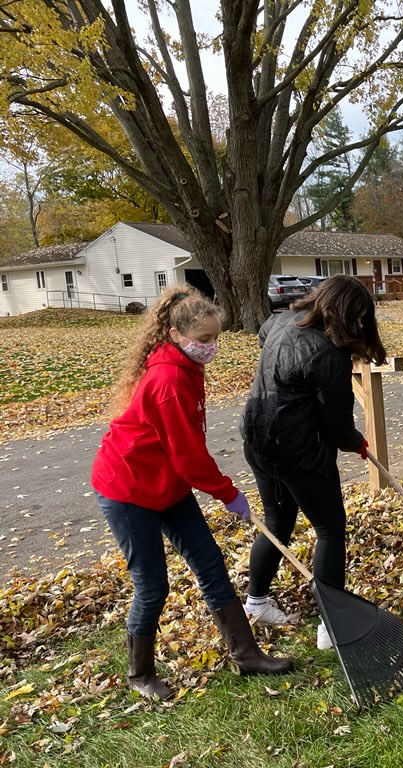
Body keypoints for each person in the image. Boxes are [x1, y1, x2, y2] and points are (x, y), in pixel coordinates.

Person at [91, 285, 292, 701]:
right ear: (175, 335)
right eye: (203, 339)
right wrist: (228, 493)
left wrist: (219, 490)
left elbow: (183, 454)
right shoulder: (167, 379)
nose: (210, 346)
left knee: (210, 565)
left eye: (215, 337)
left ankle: (245, 654)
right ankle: (140, 674)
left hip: (167, 484)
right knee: (152, 585)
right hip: (128, 488)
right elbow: (189, 457)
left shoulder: (186, 367)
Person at [241, 275, 385, 649]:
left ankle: (255, 603)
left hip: (258, 440)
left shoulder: (281, 320)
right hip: (297, 451)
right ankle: (332, 626)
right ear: (347, 312)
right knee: (330, 529)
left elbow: (264, 337)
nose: (360, 323)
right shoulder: (329, 352)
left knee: (277, 522)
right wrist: (354, 441)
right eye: (359, 316)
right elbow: (336, 423)